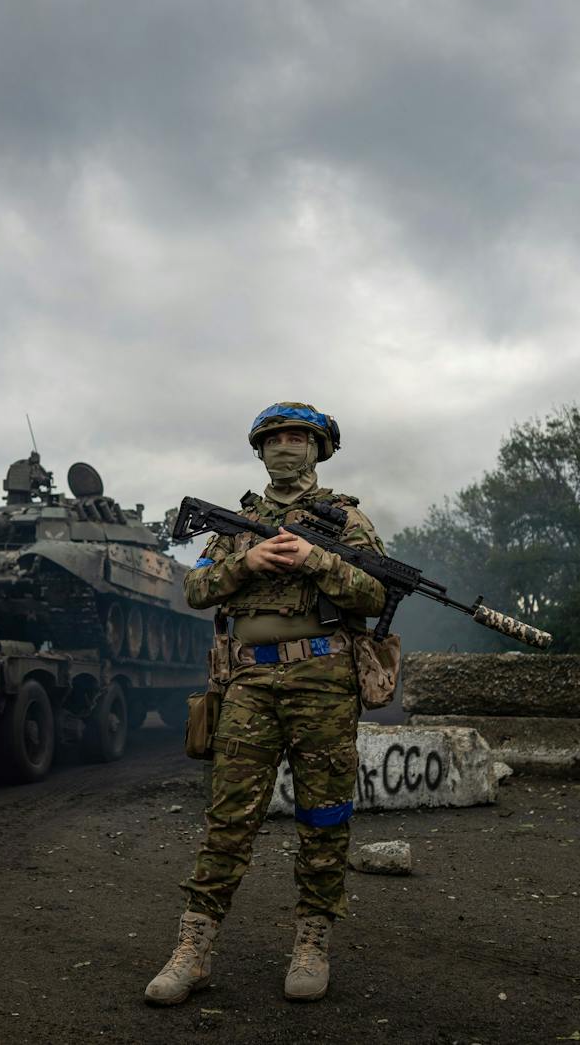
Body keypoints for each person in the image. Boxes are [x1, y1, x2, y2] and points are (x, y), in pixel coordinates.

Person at [144, 402, 387, 1006]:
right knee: (228, 819)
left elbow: (378, 591)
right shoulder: (233, 524)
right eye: (274, 438)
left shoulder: (347, 519)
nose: (285, 446)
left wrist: (319, 560)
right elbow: (195, 588)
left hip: (325, 680)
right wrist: (244, 562)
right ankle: (193, 949)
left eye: (298, 438)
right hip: (248, 683)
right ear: (259, 450)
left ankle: (312, 942)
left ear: (319, 448)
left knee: (324, 815)